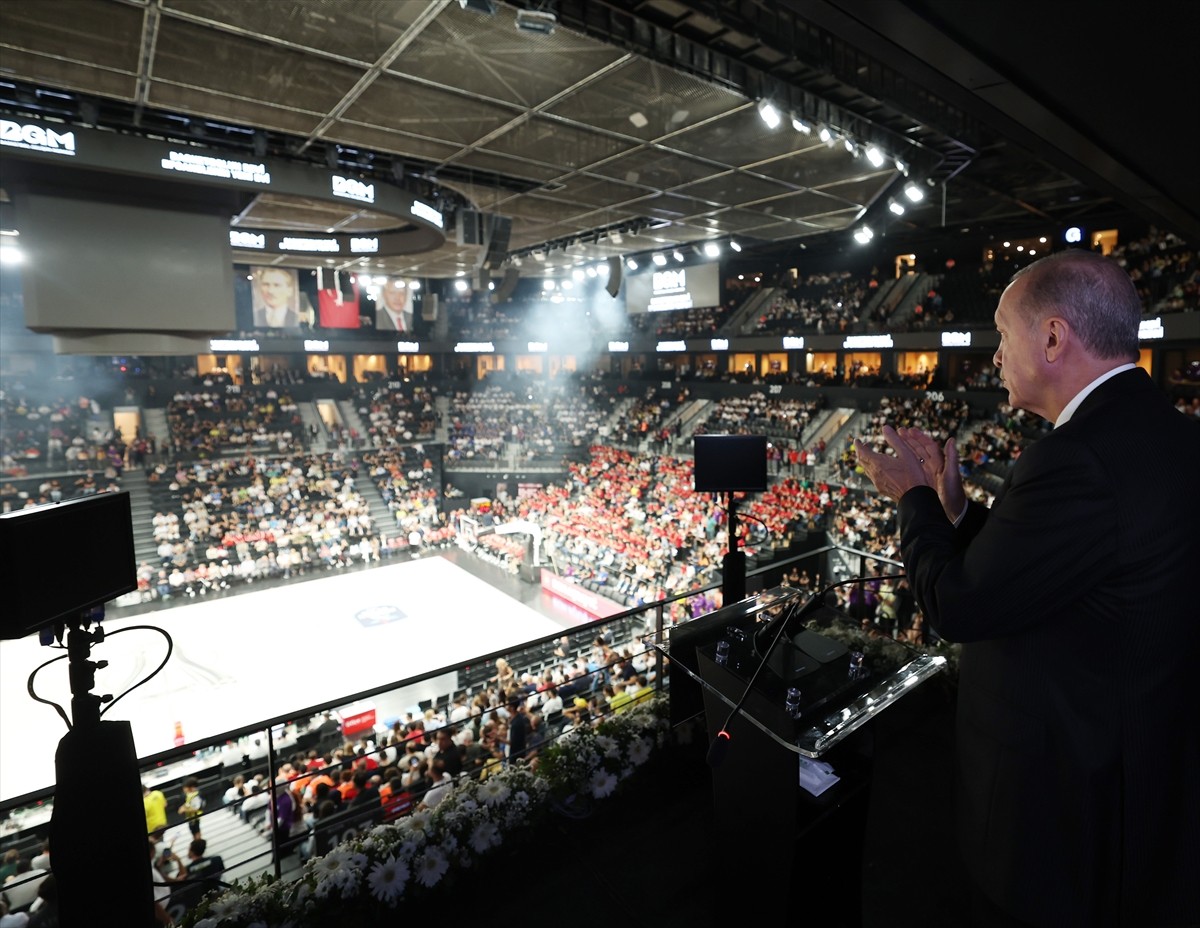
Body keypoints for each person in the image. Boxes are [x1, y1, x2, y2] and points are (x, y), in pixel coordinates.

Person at [853, 249, 1200, 927]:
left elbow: (960, 603)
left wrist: (914, 501)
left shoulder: (1076, 458)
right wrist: (957, 511)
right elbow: (1058, 566)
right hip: (1137, 779)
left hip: (1066, 804)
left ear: (1052, 337)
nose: (994, 357)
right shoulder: (1163, 434)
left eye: (1003, 335)